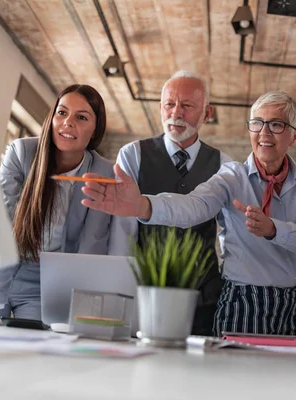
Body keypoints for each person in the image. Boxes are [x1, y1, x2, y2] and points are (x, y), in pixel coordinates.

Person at [81, 91, 296, 336]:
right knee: (238, 374)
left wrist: (272, 229)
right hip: (244, 300)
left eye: (276, 125)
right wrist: (142, 205)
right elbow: (193, 206)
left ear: (295, 136)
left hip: (295, 303)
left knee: (295, 374)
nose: (264, 133)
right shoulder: (231, 176)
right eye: (257, 123)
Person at [0, 84, 132, 319]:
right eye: (62, 112)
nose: (68, 122)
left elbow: (92, 244)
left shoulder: (104, 172)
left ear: (95, 129)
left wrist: (84, 310)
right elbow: (3, 227)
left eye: (81, 117)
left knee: (32, 349)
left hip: (42, 284)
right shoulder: (21, 154)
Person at [116, 70, 232, 336]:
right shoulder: (133, 155)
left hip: (203, 296)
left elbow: (230, 233)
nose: (176, 113)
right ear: (160, 108)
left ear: (207, 113)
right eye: (169, 104)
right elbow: (121, 229)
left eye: (187, 105)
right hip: (144, 291)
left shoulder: (224, 165)